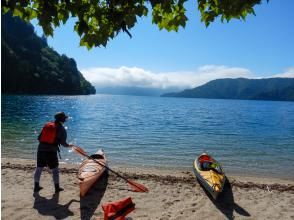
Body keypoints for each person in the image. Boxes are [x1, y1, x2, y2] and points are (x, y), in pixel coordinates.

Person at [33, 112, 72, 193]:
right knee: (55, 170)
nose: (65, 119)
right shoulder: (62, 129)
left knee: (39, 168)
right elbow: (64, 143)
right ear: (63, 119)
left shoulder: (47, 125)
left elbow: (39, 138)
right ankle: (57, 188)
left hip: (40, 149)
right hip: (51, 151)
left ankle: (36, 186)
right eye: (65, 118)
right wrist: (70, 146)